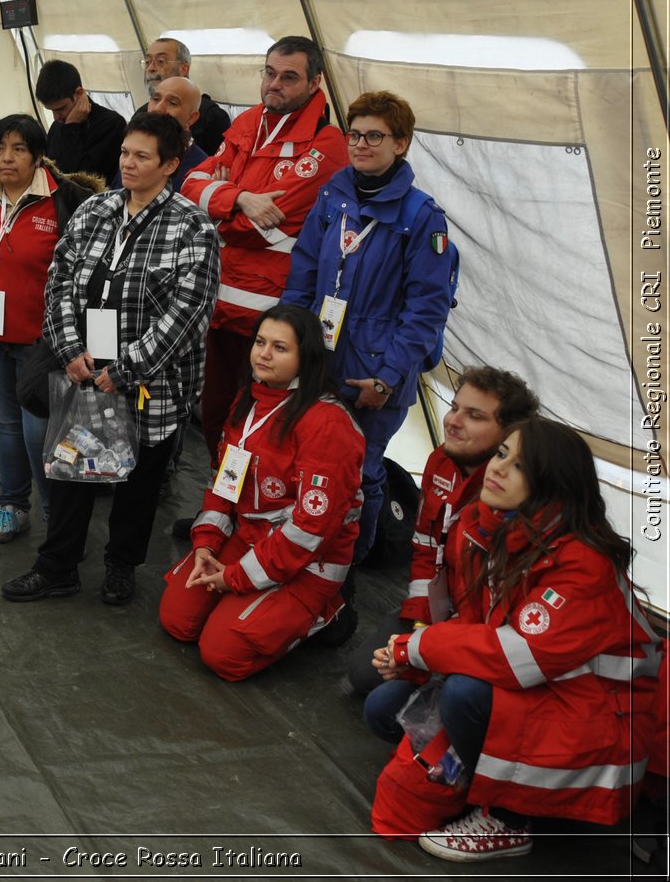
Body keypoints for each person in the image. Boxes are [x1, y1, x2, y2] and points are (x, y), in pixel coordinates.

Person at [368, 418, 660, 863]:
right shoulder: (480, 525)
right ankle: (483, 767)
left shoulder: (584, 563)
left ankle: (507, 817)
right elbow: (471, 623)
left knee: (464, 695)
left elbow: (511, 655)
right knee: (383, 709)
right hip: (535, 687)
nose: (499, 468)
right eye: (502, 453)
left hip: (594, 719)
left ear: (552, 484)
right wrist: (412, 661)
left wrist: (419, 650)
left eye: (520, 466)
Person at [2, 111, 219, 606]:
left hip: (149, 383)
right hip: (85, 370)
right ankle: (58, 566)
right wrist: (70, 350)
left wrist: (123, 372)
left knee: (139, 481)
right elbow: (59, 279)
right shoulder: (95, 210)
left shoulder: (192, 227)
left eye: (142, 156)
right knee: (72, 472)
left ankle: (121, 566)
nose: (128, 163)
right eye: (125, 152)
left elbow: (187, 315)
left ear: (170, 165)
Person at [281, 90, 455, 563]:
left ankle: (346, 570)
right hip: (321, 354)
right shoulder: (334, 197)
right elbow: (304, 271)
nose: (360, 144)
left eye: (374, 136)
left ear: (401, 144)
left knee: (359, 471)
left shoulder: (421, 219)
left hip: (374, 368)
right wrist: (288, 338)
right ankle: (303, 557)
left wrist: (389, 377)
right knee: (311, 462)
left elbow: (426, 311)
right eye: (354, 134)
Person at [157, 305, 364, 679]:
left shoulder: (327, 424)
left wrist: (236, 578)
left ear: (306, 358)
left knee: (223, 656)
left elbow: (309, 530)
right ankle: (245, 600)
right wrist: (206, 543)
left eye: (280, 348)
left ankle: (330, 611)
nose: (263, 354)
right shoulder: (250, 399)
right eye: (260, 342)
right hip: (250, 538)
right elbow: (224, 481)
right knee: (177, 621)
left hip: (307, 559)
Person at [180, 36, 348, 468]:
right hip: (218, 305)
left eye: (288, 77)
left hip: (269, 315)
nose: (275, 84)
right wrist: (240, 198)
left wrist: (221, 202)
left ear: (315, 82)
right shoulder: (248, 123)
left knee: (258, 426)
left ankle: (246, 521)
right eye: (269, 73)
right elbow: (188, 187)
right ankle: (218, 514)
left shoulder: (326, 147)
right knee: (216, 417)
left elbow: (260, 224)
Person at [0, 114, 102, 542]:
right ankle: (12, 506)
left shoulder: (66, 201)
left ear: (38, 156)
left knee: (43, 432)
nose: (7, 158)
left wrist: (71, 326)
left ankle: (59, 518)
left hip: (45, 340)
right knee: (6, 425)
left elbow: (86, 271)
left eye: (18, 149)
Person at [343, 367, 538, 697]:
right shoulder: (441, 462)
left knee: (399, 701)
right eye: (454, 407)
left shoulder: (519, 495)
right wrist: (422, 618)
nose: (453, 421)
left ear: (509, 433)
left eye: (474, 416)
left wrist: (437, 645)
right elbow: (423, 546)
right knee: (364, 676)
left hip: (486, 631)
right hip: (442, 610)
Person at [34, 58, 126, 183]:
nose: (56, 117)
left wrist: (71, 128)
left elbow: (85, 179)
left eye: (61, 109)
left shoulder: (112, 124)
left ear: (79, 93)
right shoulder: (58, 126)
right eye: (51, 111)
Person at [137, 37, 231, 156]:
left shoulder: (212, 116)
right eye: (147, 62)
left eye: (160, 61)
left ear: (183, 69)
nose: (151, 68)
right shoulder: (140, 114)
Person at [146, 76, 209, 190]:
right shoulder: (133, 151)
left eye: (172, 103)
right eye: (155, 99)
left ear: (191, 118)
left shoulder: (200, 168)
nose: (158, 108)